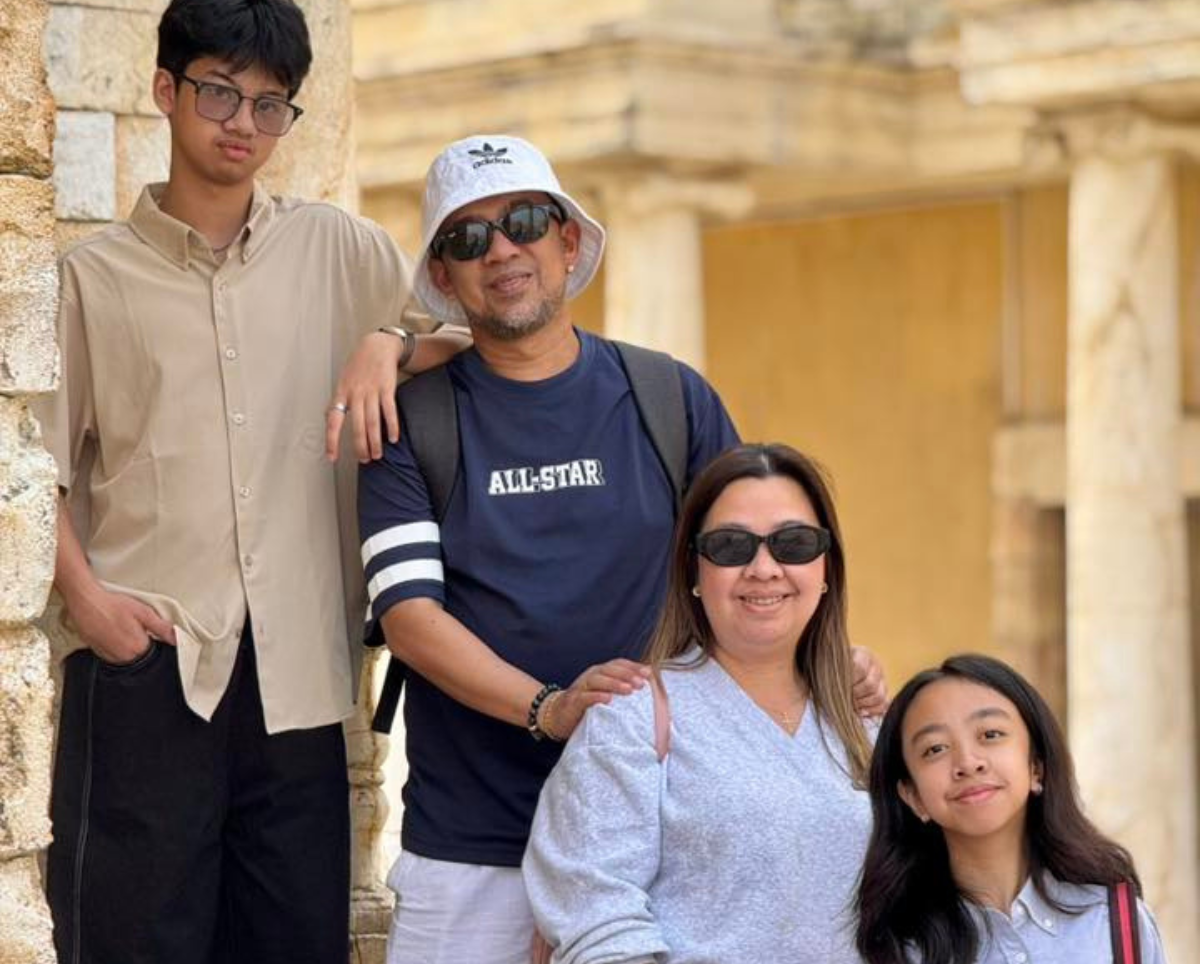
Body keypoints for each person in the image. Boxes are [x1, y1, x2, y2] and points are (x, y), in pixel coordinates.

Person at [357, 138, 887, 964]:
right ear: (445, 277)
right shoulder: (411, 420)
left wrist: (823, 659)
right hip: (473, 849)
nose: (501, 250)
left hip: (664, 842)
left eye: (525, 223)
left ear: (568, 241)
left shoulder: (667, 396)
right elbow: (409, 617)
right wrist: (551, 707)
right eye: (468, 238)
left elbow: (752, 563)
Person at [37, 0, 464, 964]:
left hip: (301, 679)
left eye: (271, 104)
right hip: (147, 669)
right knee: (127, 947)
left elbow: (468, 342)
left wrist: (388, 344)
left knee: (293, 945)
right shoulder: (88, 281)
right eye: (220, 92)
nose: (244, 123)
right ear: (165, 89)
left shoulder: (343, 251)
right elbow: (32, 468)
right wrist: (92, 606)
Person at [522, 442, 875, 963]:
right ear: (693, 571)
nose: (764, 567)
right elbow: (596, 911)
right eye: (730, 545)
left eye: (794, 543)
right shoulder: (631, 719)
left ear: (827, 568)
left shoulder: (868, 725)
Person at [855, 653, 1168, 964]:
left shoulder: (1116, 923)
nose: (968, 763)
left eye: (990, 735)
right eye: (935, 749)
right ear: (913, 796)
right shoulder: (895, 950)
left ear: (1036, 766)